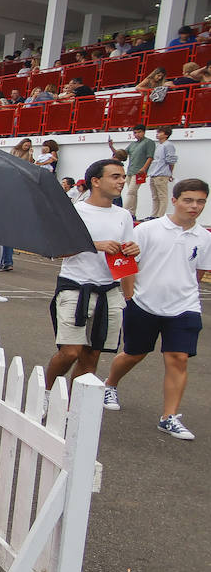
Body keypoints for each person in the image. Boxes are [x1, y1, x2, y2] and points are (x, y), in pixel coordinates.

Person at [102, 179, 211, 440]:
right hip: (144, 304)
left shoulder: (204, 237)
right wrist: (130, 298)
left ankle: (169, 417)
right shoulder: (148, 230)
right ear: (174, 200)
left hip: (184, 307)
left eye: (200, 201)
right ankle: (110, 384)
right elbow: (129, 265)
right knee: (133, 354)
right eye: (188, 200)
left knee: (178, 358)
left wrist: (184, 294)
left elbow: (199, 273)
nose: (194, 206)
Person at [44, 159, 140, 390]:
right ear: (96, 181)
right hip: (75, 287)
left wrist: (132, 252)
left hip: (109, 290)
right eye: (115, 176)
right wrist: (95, 245)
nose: (122, 181)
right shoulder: (75, 211)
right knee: (69, 352)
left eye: (123, 176)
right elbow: (57, 251)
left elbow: (125, 261)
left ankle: (74, 408)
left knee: (91, 355)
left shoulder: (124, 215)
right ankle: (47, 393)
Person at [109, 124, 156, 218]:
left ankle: (124, 212)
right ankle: (132, 213)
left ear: (143, 132)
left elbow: (150, 157)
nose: (137, 134)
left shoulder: (149, 142)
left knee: (131, 192)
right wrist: (111, 147)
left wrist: (144, 168)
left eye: (139, 132)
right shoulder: (133, 144)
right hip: (130, 171)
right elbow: (121, 154)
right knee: (133, 194)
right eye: (135, 132)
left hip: (139, 172)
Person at [145, 126, 178, 220]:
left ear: (166, 135)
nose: (157, 134)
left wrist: (170, 173)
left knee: (162, 196)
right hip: (154, 174)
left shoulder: (168, 145)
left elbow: (171, 160)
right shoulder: (159, 145)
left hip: (162, 174)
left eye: (160, 132)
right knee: (155, 196)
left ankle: (160, 215)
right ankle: (154, 214)